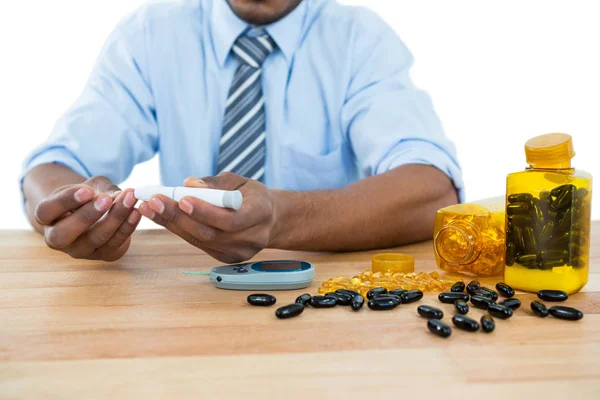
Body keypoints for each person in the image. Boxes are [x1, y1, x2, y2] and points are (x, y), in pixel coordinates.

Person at [21, 0, 463, 263]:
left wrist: (282, 217)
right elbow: (53, 168)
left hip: (324, 305)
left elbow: (432, 191)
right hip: (190, 298)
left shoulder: (359, 38)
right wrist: (72, 209)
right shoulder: (152, 33)